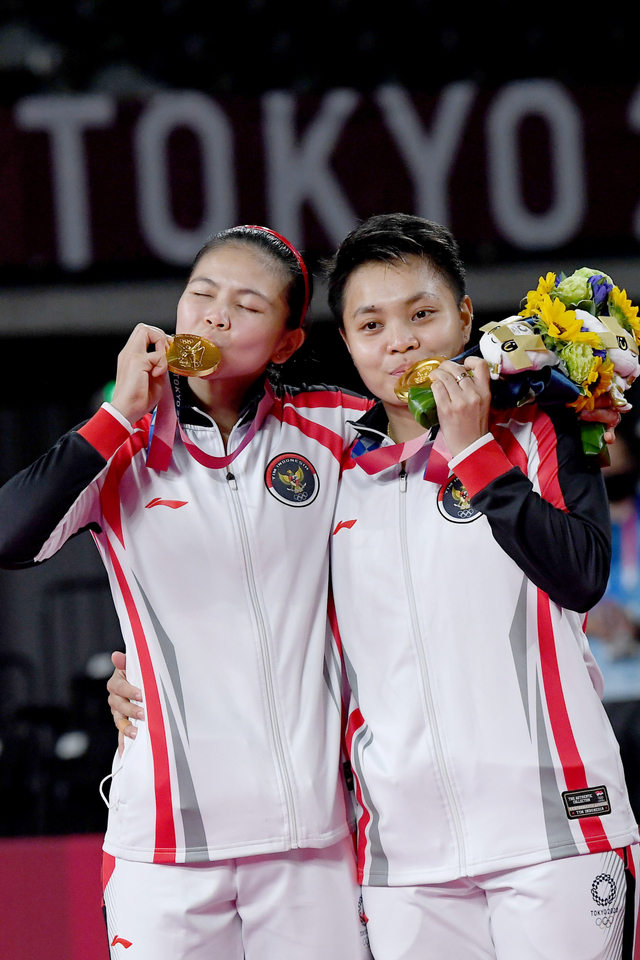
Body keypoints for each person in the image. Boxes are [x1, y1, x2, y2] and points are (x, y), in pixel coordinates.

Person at [0, 225, 372, 960]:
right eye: (201, 294)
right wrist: (113, 419)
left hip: (311, 840)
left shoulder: (335, 427)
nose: (216, 316)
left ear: (287, 344)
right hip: (163, 840)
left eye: (247, 305)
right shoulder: (122, 446)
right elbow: (9, 536)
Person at [322, 214, 639, 959]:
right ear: (347, 342)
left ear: (466, 318)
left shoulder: (544, 428)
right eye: (371, 324)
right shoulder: (330, 477)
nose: (399, 341)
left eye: (422, 314)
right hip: (406, 860)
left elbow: (583, 576)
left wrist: (473, 454)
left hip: (555, 830)